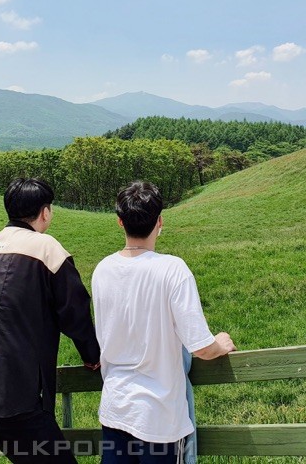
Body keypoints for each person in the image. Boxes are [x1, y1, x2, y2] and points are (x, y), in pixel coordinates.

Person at [0, 177, 100, 464]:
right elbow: (74, 310)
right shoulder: (46, 248)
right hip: (10, 401)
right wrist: (92, 356)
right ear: (45, 212)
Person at [92, 181, 236, 464]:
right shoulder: (172, 269)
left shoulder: (102, 270)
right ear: (160, 222)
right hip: (158, 418)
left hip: (115, 408)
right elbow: (201, 348)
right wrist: (220, 344)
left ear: (120, 222)